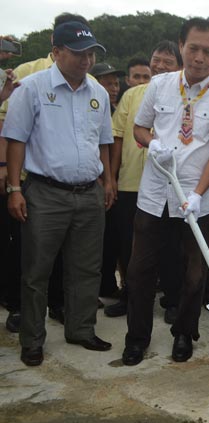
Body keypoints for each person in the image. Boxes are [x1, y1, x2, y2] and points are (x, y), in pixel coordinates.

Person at [121, 18, 209, 366]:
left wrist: (200, 193)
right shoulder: (159, 85)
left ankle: (185, 333)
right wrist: (153, 143)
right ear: (181, 46)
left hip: (199, 200)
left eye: (207, 51)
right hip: (155, 193)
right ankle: (136, 338)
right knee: (139, 270)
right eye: (193, 48)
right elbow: (140, 129)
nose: (199, 57)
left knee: (194, 273)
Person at [2, 20, 115, 366]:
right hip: (45, 194)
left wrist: (108, 180)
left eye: (91, 54)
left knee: (87, 268)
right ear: (57, 52)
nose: (86, 61)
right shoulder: (32, 88)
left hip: (88, 194)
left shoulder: (97, 92)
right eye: (79, 54)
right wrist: (14, 188)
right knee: (37, 270)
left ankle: (81, 328)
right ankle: (33, 339)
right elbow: (16, 140)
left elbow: (104, 142)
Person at [0, 12, 89, 334]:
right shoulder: (28, 75)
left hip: (78, 188)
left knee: (73, 260)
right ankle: (23, 316)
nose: (84, 56)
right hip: (34, 182)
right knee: (31, 258)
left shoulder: (90, 86)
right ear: (56, 44)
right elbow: (10, 130)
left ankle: (65, 310)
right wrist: (11, 182)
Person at [102, 41, 183, 319]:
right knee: (129, 245)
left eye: (167, 62)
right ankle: (130, 296)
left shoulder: (185, 96)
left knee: (171, 246)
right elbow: (117, 136)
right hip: (130, 184)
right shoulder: (133, 94)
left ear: (179, 68)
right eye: (156, 59)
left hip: (168, 185)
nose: (159, 65)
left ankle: (172, 300)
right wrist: (111, 178)